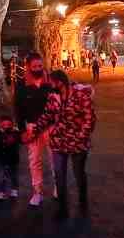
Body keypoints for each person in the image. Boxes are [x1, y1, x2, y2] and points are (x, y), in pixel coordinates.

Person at [24, 70, 97, 220]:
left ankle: (83, 204)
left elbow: (89, 118)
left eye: (52, 82)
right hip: (59, 141)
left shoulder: (80, 95)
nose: (49, 85)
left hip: (78, 142)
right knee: (59, 175)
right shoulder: (53, 97)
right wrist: (34, 130)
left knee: (79, 174)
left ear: (60, 82)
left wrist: (81, 136)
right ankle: (62, 209)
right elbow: (46, 116)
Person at [14, 53, 57, 206]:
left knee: (54, 159)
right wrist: (22, 131)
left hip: (51, 126)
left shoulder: (50, 82)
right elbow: (18, 109)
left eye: (40, 66)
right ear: (28, 67)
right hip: (32, 127)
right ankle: (37, 192)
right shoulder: (21, 85)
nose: (38, 69)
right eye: (34, 66)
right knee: (34, 161)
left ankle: (57, 187)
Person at [0, 115, 22, 200]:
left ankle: (14, 190)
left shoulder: (15, 133)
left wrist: (17, 132)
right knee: (2, 177)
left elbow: (20, 140)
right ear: (0, 125)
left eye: (9, 125)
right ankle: (1, 192)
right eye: (4, 125)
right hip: (2, 160)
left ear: (12, 124)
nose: (7, 127)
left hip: (13, 159)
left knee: (13, 176)